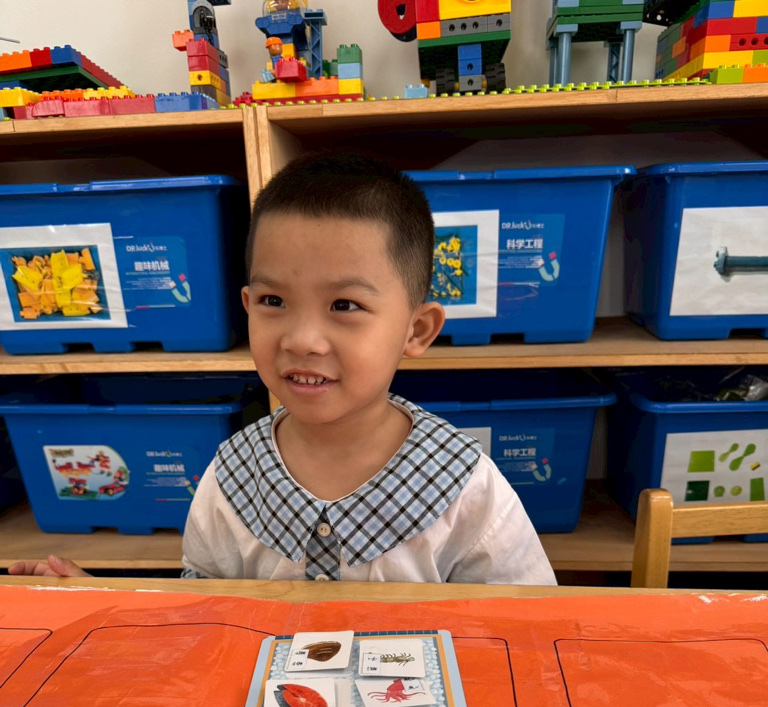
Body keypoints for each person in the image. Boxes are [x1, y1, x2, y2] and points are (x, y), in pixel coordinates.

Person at [8, 151, 556, 586]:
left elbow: (523, 624)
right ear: (247, 306)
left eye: (344, 305)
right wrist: (101, 597)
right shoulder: (231, 475)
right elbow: (204, 615)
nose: (301, 340)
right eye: (274, 301)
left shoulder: (465, 483)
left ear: (416, 330)